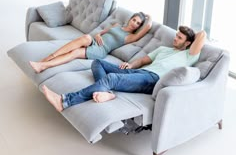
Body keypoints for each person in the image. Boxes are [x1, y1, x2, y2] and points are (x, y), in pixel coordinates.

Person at [41, 26, 206, 112]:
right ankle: (107, 93)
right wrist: (130, 65)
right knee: (98, 62)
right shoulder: (163, 49)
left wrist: (191, 37)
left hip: (152, 80)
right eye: (176, 35)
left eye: (179, 37)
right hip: (139, 72)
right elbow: (143, 60)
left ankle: (65, 101)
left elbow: (202, 34)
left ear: (188, 43)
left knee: (112, 78)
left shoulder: (190, 55)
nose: (175, 38)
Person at [29, 12, 152, 73]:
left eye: (137, 23)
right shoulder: (117, 25)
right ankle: (48, 58)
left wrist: (148, 17)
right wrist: (98, 35)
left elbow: (147, 27)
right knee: (86, 37)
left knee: (75, 52)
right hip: (94, 41)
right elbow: (101, 33)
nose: (134, 23)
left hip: (101, 49)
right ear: (130, 18)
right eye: (134, 20)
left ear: (138, 26)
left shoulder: (130, 37)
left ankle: (44, 65)